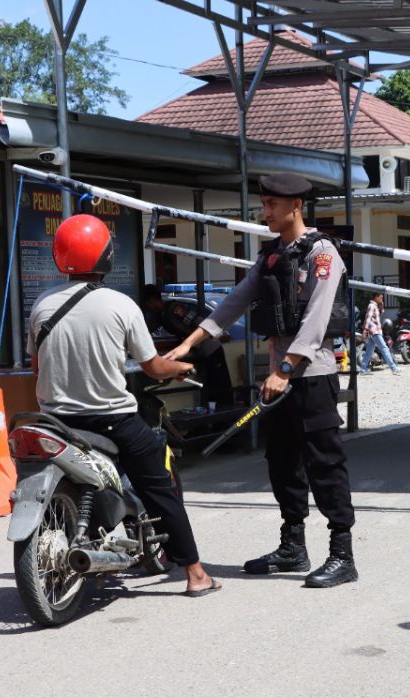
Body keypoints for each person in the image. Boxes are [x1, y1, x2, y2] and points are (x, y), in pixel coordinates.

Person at [166, 172, 360, 588]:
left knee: (324, 464)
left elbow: (317, 318)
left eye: (272, 205)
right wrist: (189, 343)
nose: (264, 212)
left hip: (310, 375)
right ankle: (293, 546)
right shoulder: (272, 255)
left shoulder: (322, 253)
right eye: (264, 203)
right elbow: (234, 302)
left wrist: (285, 369)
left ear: (295, 206)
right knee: (283, 462)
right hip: (279, 378)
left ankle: (342, 554)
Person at [28, 215, 220, 597]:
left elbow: (37, 364)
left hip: (55, 421)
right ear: (105, 257)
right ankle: (196, 574)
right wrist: (179, 367)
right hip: (112, 420)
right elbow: (153, 366)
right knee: (160, 487)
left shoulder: (41, 305)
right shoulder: (121, 305)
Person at [359, 291, 400, 375]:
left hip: (374, 331)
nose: (382, 299)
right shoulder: (371, 306)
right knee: (384, 348)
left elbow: (380, 313)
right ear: (376, 297)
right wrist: (365, 330)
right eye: (381, 297)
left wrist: (382, 304)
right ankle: (394, 368)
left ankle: (362, 370)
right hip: (374, 331)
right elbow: (368, 318)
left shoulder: (375, 306)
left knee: (369, 352)